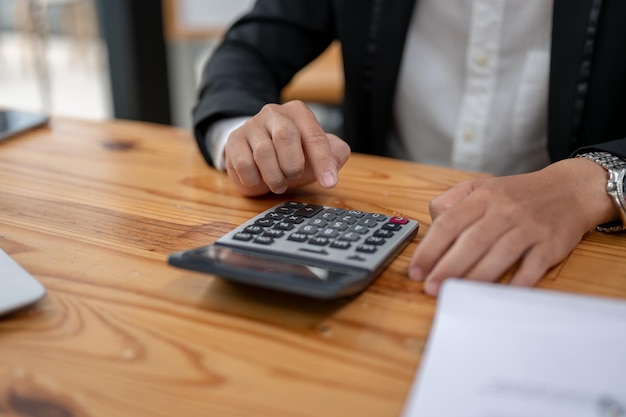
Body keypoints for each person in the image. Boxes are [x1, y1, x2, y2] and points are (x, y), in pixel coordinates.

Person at [192, 0, 626, 296]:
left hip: (578, 257)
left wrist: (594, 181)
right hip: (377, 241)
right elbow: (247, 50)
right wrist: (246, 137)